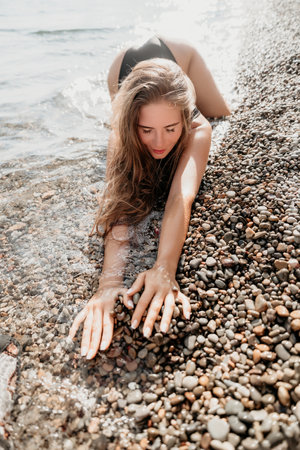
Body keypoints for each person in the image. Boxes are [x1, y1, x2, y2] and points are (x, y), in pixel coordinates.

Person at [69, 36, 230, 360]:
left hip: (179, 52)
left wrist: (164, 270)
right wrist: (108, 284)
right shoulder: (123, 132)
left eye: (171, 129)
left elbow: (181, 197)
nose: (159, 142)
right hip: (122, 67)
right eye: (146, 130)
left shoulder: (197, 127)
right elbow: (120, 201)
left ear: (185, 119)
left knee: (222, 113)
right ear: (133, 124)